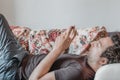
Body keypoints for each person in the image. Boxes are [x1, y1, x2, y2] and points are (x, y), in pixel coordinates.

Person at [0, 14, 120, 80]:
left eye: (98, 44)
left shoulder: (77, 73)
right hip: (23, 57)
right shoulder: (88, 63)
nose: (93, 43)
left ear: (103, 61)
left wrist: (57, 50)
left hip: (13, 69)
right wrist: (65, 45)